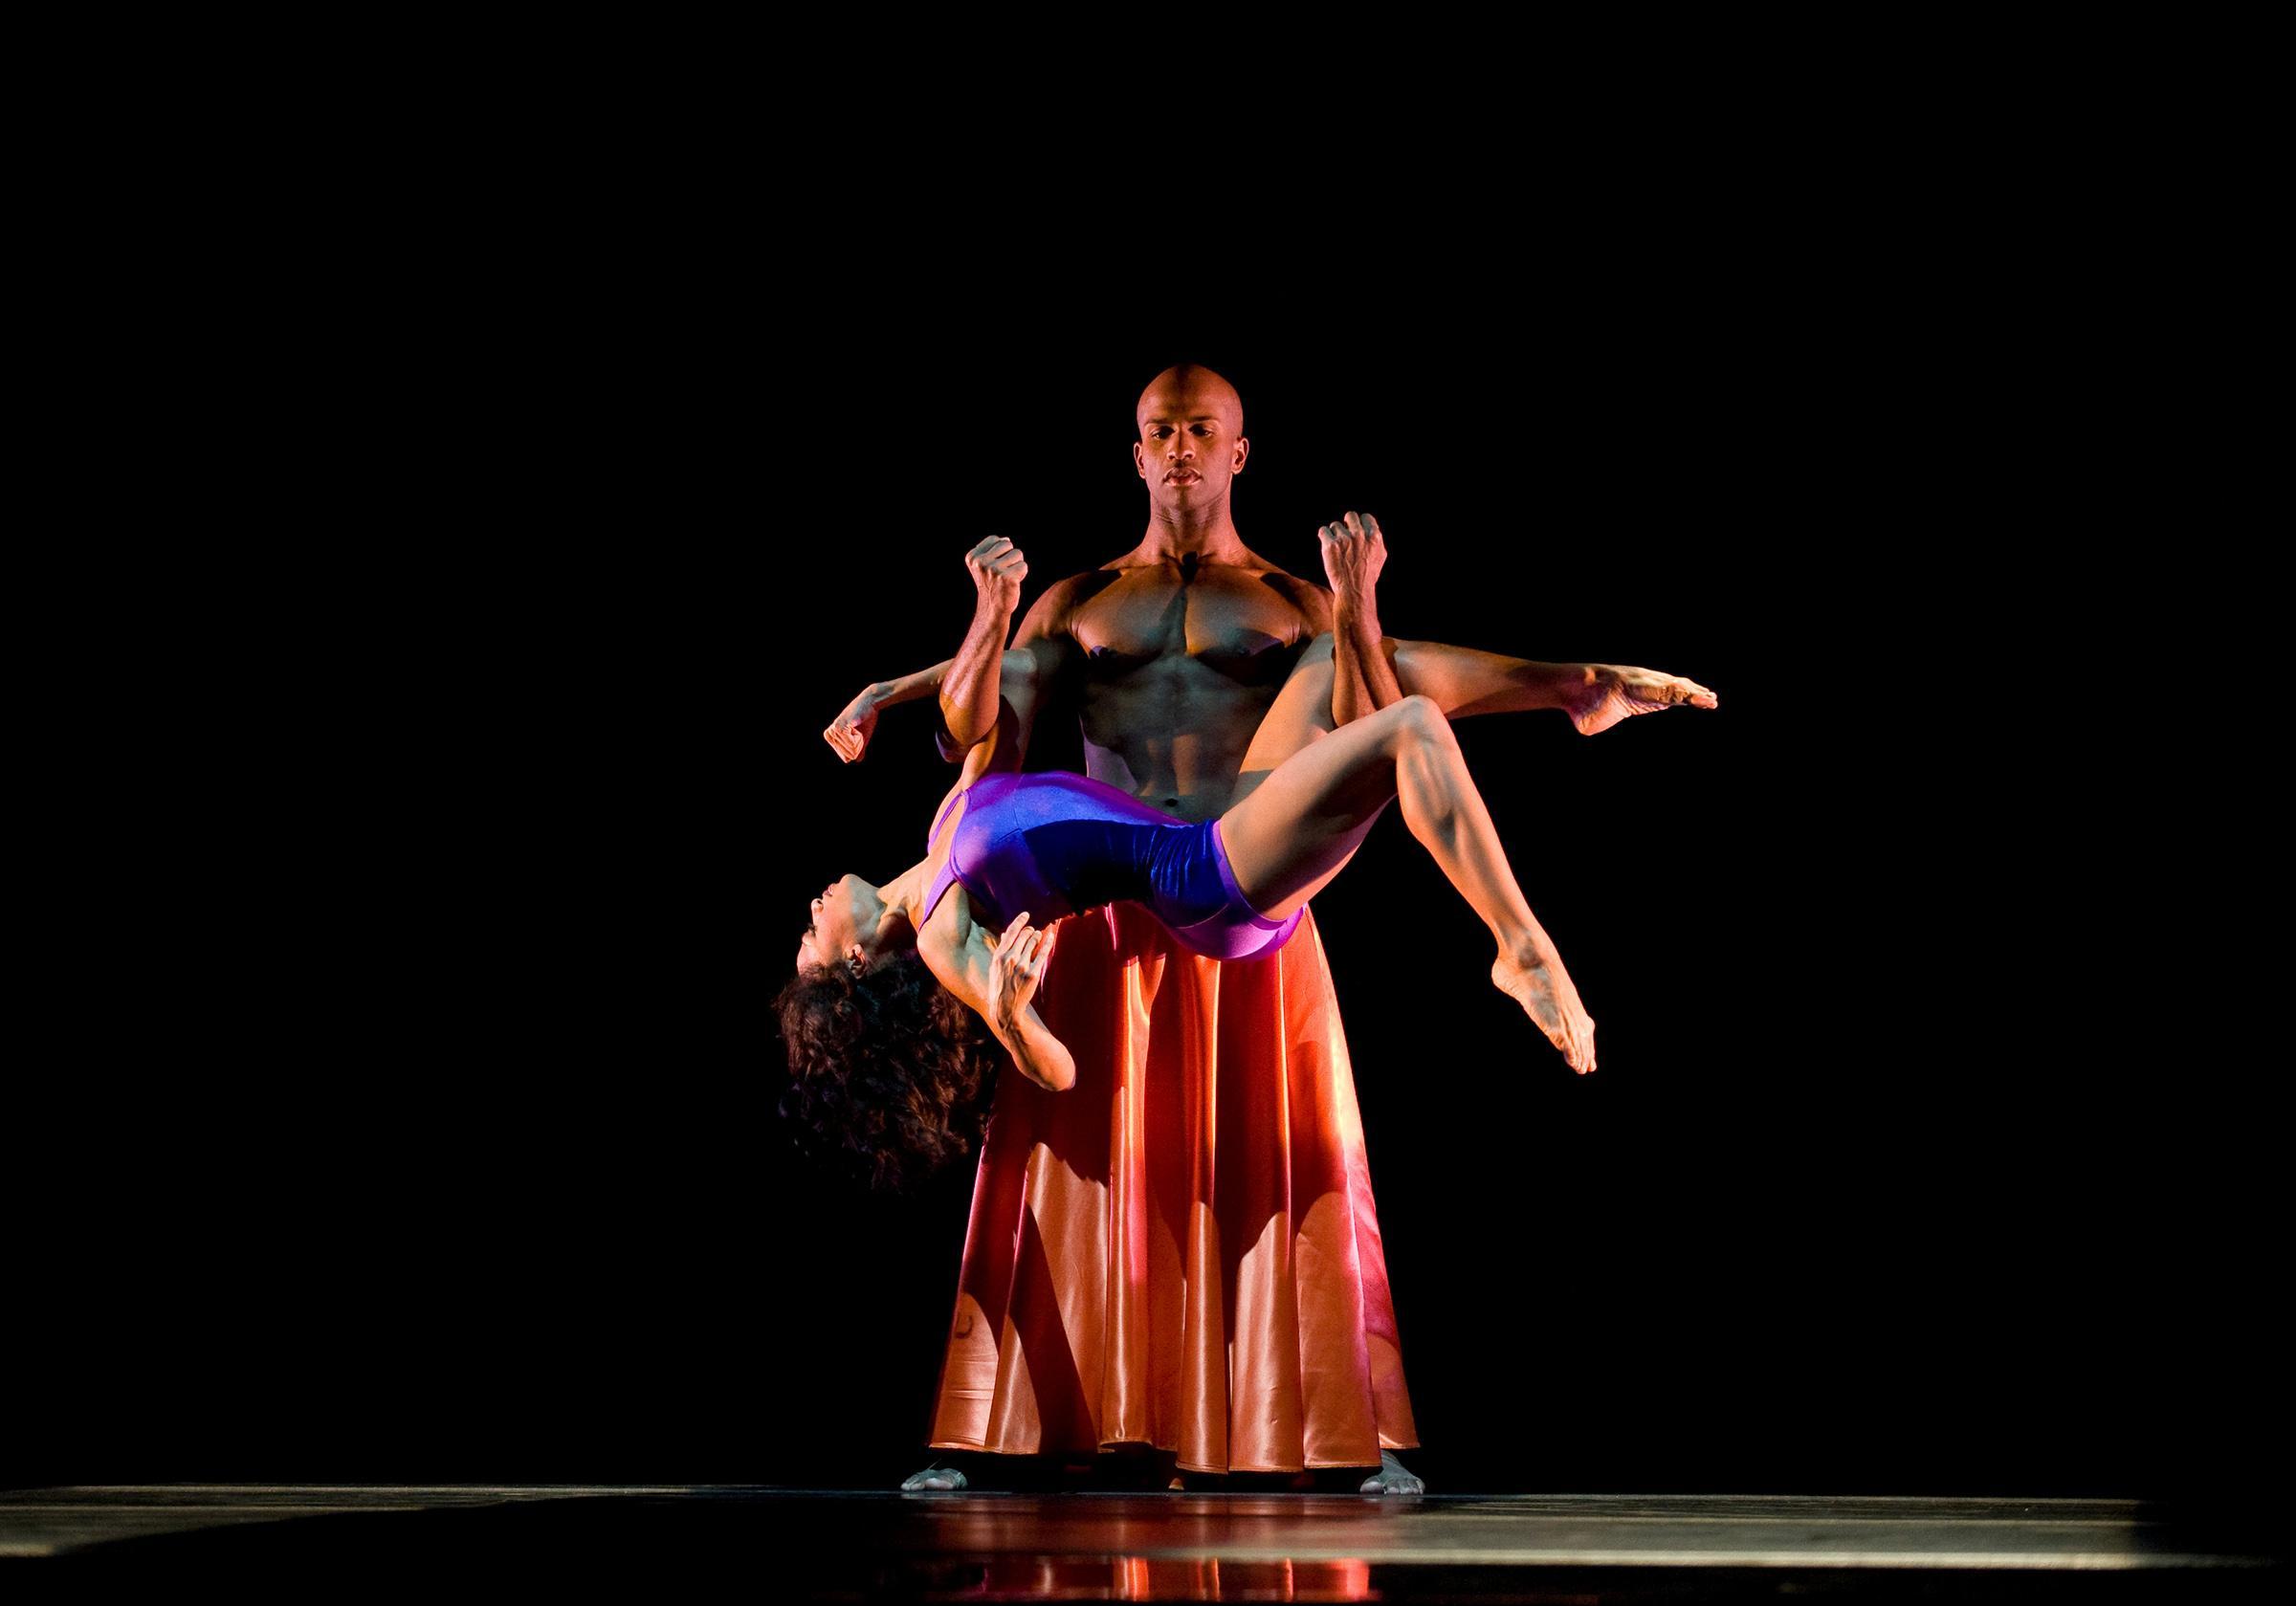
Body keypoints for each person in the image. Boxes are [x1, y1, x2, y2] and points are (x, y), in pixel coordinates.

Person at [816, 364, 1715, 1495]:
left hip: (1235, 862)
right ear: (1135, 452)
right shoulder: (1080, 602)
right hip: (1109, 915)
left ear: (1241, 451)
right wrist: (898, 687)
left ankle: (1342, 1425)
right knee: (1070, 1172)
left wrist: (1404, 621)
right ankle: (990, 1433)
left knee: (1287, 1165)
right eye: (1161, 430)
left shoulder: (1292, 601)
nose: (1181, 446)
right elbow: (978, 712)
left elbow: (1375, 709)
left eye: (1203, 429)